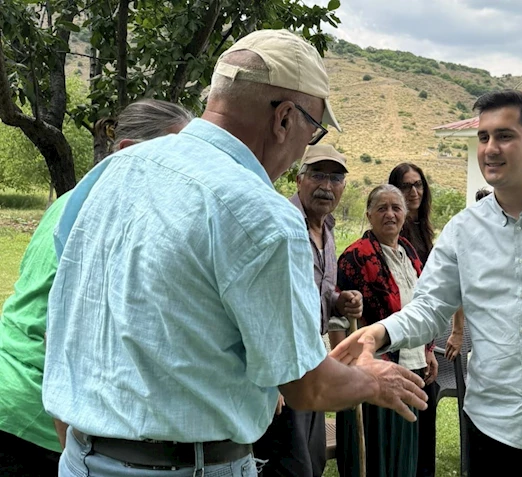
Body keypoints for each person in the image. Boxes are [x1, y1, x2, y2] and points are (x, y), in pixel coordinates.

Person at [43, 29, 427, 477]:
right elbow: (308, 387)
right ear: (285, 118)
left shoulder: (115, 168)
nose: (305, 145)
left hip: (81, 458)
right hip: (193, 466)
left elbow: (75, 303)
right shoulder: (261, 214)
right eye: (312, 130)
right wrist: (372, 379)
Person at [332, 90, 522, 476]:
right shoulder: (463, 230)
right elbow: (430, 308)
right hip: (491, 430)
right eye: (483, 137)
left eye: (505, 136)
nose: (490, 148)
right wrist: (377, 334)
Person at [0, 99, 194, 477]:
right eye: (176, 158)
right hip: (37, 412)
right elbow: (68, 328)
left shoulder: (73, 200)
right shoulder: (111, 217)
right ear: (126, 152)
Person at [255, 144, 363, 477]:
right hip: (283, 365)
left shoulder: (327, 229)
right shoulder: (281, 223)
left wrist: (338, 300)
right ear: (299, 179)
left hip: (312, 358)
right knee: (288, 463)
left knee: (312, 457)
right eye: (317, 174)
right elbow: (263, 300)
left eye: (335, 178)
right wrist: (273, 382)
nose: (326, 186)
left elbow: (318, 293)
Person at [329, 184, 429, 477]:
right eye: (382, 208)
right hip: (371, 371)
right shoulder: (355, 257)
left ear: (405, 214)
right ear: (369, 214)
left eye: (396, 208)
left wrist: (427, 351)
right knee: (373, 455)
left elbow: (420, 306)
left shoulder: (409, 252)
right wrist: (347, 371)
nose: (390, 214)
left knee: (402, 454)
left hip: (411, 366)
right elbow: (339, 320)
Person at [388, 162, 461, 476]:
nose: (414, 192)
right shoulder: (393, 233)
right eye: (406, 186)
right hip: (401, 340)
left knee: (425, 411)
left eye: (418, 185)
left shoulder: (427, 232)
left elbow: (454, 280)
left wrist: (453, 333)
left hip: (425, 340)